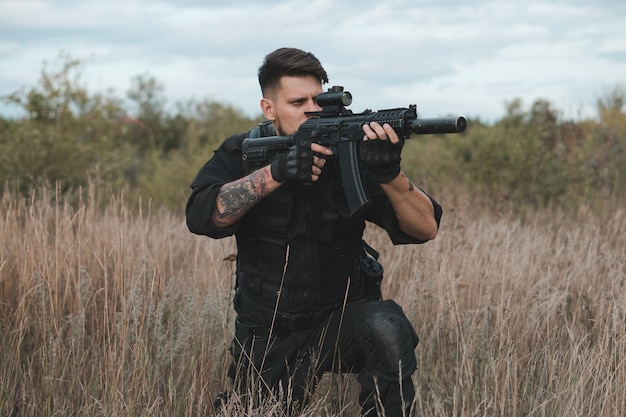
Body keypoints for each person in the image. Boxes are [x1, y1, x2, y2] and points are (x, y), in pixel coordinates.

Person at [186, 47, 442, 417]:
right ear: (268, 108)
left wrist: (389, 175)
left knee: (386, 327)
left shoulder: (347, 153)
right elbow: (202, 216)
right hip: (268, 330)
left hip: (338, 321)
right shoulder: (243, 154)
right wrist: (279, 173)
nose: (312, 108)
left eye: (317, 98)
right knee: (256, 409)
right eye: (297, 101)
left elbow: (426, 228)